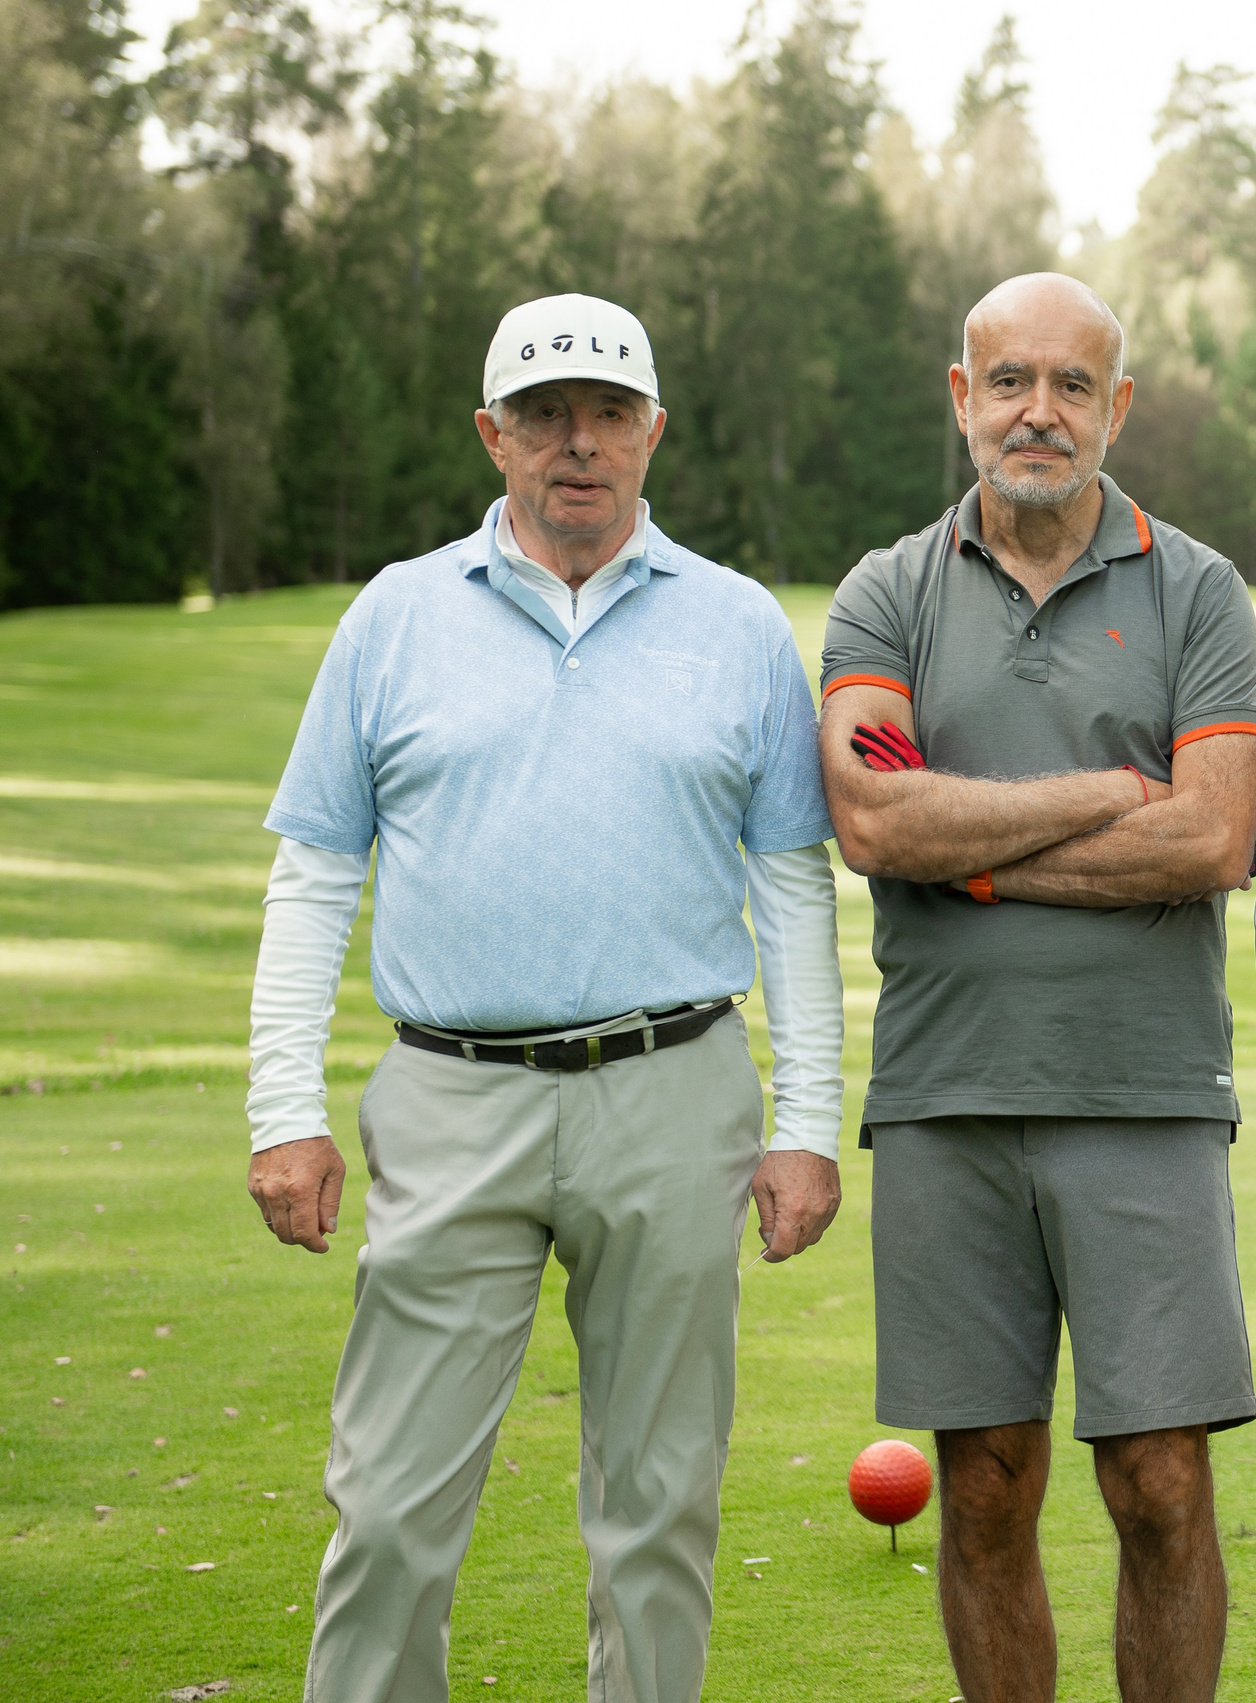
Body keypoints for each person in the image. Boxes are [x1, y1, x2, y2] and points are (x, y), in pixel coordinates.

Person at [243, 292, 847, 1703]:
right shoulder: (396, 617)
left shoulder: (740, 626)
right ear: (491, 435)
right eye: (543, 415)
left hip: (675, 1088)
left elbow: (795, 889)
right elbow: (316, 871)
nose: (578, 443)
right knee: (390, 1507)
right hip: (452, 1096)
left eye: (607, 413)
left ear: (652, 431)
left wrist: (809, 1118)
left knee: (658, 1510)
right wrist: (283, 1105)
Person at [818, 272, 1256, 1703]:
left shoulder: (1194, 587)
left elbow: (1211, 837)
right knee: (988, 1491)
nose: (1039, 411)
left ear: (1115, 407)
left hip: (1143, 1093)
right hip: (949, 1098)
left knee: (1161, 1488)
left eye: (1074, 385)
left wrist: (978, 849)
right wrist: (1100, 799)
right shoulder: (886, 592)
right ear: (963, 398)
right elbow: (878, 824)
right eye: (1009, 379)